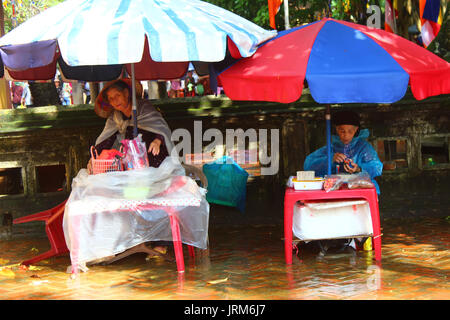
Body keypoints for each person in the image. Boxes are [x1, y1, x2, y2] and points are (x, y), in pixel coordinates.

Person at [93, 78, 174, 169]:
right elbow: (106, 141)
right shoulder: (114, 117)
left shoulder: (143, 108)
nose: (115, 101)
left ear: (126, 93)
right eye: (111, 98)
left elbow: (161, 129)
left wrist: (157, 141)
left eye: (117, 95)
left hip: (154, 161)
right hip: (131, 164)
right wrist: (95, 158)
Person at [304, 110, 383, 194]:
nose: (346, 135)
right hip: (335, 190)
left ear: (356, 129)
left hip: (359, 190)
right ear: (337, 129)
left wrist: (359, 169)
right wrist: (330, 159)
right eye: (342, 131)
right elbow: (308, 165)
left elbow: (377, 167)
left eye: (350, 131)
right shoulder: (331, 148)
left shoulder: (364, 147)